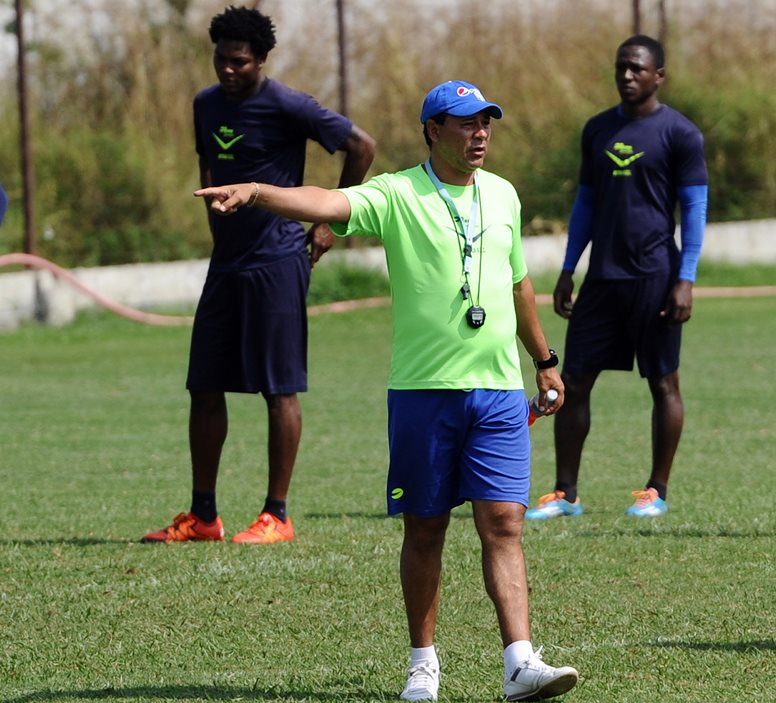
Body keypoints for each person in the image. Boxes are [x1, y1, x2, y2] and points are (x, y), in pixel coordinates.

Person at [195, 80, 578, 702]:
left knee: (505, 523)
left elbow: (519, 286)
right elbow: (326, 202)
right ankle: (423, 666)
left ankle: (519, 662)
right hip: (424, 392)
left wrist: (545, 360)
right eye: (466, 123)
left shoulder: (504, 194)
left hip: (499, 391)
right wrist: (259, 192)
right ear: (433, 130)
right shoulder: (399, 193)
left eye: (486, 123)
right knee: (425, 529)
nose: (480, 134)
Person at [143, 6, 376, 545]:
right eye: (221, 59)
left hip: (277, 260)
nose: (228, 70)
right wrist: (215, 225)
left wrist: (328, 221)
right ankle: (204, 516)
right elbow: (208, 162)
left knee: (279, 389)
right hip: (226, 263)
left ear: (263, 59)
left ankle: (277, 515)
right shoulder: (206, 104)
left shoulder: (288, 105)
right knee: (204, 385)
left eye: (240, 62)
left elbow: (362, 146)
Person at [526, 34, 708, 521]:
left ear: (658, 76)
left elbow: (694, 209)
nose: (627, 75)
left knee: (663, 382)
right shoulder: (598, 129)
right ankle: (566, 493)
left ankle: (656, 491)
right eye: (621, 67)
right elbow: (585, 203)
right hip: (603, 278)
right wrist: (569, 268)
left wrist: (686, 278)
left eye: (637, 68)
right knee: (572, 381)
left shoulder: (681, 134)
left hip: (656, 276)